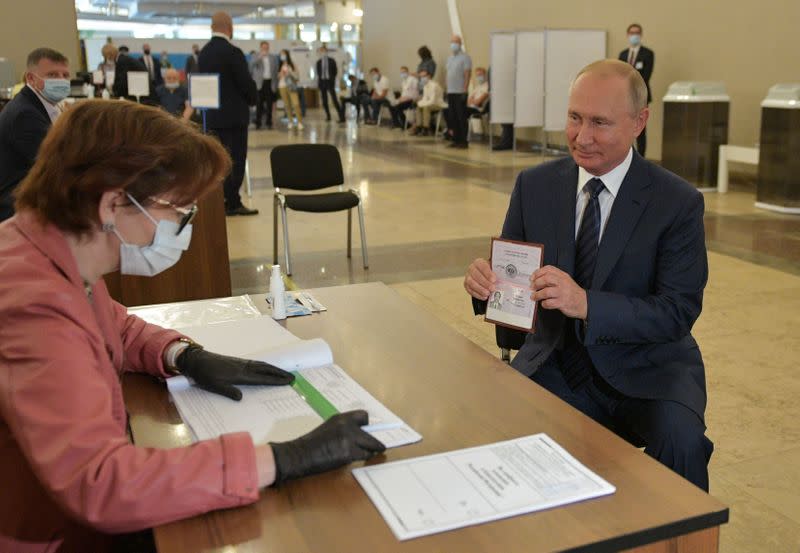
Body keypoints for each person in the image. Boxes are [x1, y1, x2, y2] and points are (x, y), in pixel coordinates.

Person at [0, 100, 385, 553]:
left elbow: (112, 325)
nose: (184, 228)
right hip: (55, 537)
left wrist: (183, 355)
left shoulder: (46, 249)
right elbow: (103, 483)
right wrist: (281, 459)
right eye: (179, 212)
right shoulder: (31, 304)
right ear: (113, 203)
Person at [463, 59, 713, 491]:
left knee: (683, 443)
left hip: (649, 368)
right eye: (574, 118)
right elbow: (514, 292)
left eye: (600, 122)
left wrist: (588, 304)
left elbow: (677, 311)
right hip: (557, 361)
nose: (582, 137)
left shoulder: (676, 202)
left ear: (640, 122)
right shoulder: (535, 186)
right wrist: (487, 289)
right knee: (498, 431)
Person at [199, 12, 259, 216]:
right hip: (234, 118)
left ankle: (220, 201)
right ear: (230, 27)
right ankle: (233, 201)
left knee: (217, 161)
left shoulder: (204, 53)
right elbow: (245, 84)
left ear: (211, 27)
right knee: (235, 160)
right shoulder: (233, 52)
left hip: (212, 118)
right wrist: (254, 98)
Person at [0, 47, 70, 222]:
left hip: (35, 193)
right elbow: (58, 164)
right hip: (18, 206)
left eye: (65, 75)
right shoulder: (24, 114)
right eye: (53, 75)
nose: (61, 81)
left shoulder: (43, 105)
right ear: (30, 78)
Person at [618, 23, 654, 157]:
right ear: (628, 35)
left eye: (637, 33)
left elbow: (646, 75)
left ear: (641, 35)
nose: (635, 35)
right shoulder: (623, 54)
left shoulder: (648, 54)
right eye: (632, 33)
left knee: (640, 126)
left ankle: (641, 157)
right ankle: (626, 154)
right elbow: (619, 74)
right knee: (624, 124)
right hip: (623, 96)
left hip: (640, 95)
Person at [445, 35, 472, 149]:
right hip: (450, 91)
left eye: (456, 42)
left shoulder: (465, 57)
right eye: (452, 42)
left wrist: (465, 89)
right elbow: (448, 74)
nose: (453, 44)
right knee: (453, 116)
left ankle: (463, 141)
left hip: (460, 91)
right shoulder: (449, 58)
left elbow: (467, 74)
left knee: (461, 116)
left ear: (460, 44)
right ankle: (456, 139)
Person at [250, 41, 279, 129]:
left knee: (269, 104)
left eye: (267, 47)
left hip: (270, 82)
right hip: (260, 83)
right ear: (260, 47)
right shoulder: (255, 56)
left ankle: (269, 122)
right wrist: (260, 57)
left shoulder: (273, 57)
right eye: (263, 47)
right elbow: (251, 66)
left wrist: (275, 84)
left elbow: (276, 70)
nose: (265, 49)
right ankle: (258, 123)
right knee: (259, 104)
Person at [407, 69, 443, 136]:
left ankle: (426, 128)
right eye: (421, 77)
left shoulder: (434, 85)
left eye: (424, 76)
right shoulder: (425, 86)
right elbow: (424, 99)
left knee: (425, 108)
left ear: (429, 76)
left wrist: (422, 104)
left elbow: (432, 100)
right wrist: (420, 104)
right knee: (418, 107)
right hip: (429, 104)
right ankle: (419, 126)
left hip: (437, 104)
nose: (422, 78)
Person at [316, 45, 344, 123]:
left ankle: (341, 116)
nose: (322, 52)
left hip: (330, 82)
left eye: (323, 51)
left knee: (334, 99)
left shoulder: (332, 60)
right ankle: (328, 116)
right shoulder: (318, 62)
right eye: (321, 51)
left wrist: (332, 79)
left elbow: (335, 71)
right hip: (322, 82)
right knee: (324, 101)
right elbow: (318, 73)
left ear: (326, 51)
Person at [277, 49, 303, 131]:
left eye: (283, 54)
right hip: (282, 86)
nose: (282, 56)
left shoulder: (292, 64)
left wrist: (290, 72)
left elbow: (297, 76)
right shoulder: (279, 65)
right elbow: (278, 76)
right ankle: (290, 121)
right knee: (287, 105)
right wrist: (281, 73)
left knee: (296, 104)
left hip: (291, 86)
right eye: (281, 55)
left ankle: (299, 122)